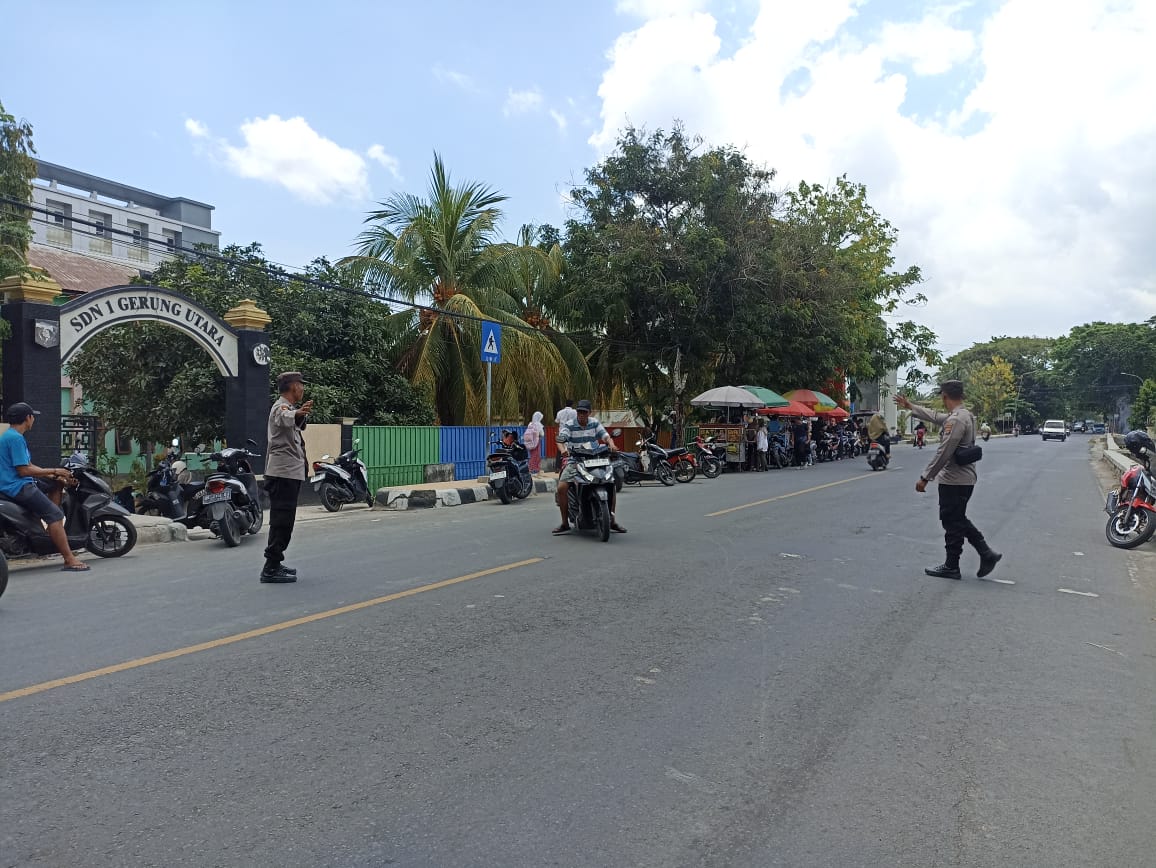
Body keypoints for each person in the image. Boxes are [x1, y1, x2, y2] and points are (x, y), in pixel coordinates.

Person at [896, 381, 1002, 580]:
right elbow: (936, 417)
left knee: (952, 521)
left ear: (944, 396)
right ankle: (986, 554)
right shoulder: (964, 415)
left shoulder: (957, 420)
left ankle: (952, 566)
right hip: (963, 479)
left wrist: (925, 477)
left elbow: (945, 451)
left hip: (955, 480)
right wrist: (911, 406)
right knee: (957, 519)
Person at [0, 402, 87, 572]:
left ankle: (50, 533)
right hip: (17, 486)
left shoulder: (11, 435)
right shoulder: (15, 439)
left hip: (15, 481)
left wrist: (56, 475)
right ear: (28, 418)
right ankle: (69, 559)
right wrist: (55, 469)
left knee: (57, 483)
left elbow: (29, 464)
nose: (33, 420)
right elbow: (24, 470)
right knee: (55, 514)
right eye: (33, 417)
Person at [261, 372, 312, 584]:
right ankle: (270, 568)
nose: (302, 389)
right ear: (292, 386)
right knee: (282, 521)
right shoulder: (280, 407)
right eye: (301, 385)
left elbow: (296, 424)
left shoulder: (290, 409)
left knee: (285, 521)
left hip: (289, 473)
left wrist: (299, 413)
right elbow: (282, 418)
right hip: (282, 474)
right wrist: (297, 413)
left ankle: (275, 563)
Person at [554, 399, 624, 535]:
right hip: (575, 460)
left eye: (584, 412)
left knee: (611, 483)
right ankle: (564, 523)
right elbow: (561, 440)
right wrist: (563, 449)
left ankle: (612, 521)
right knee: (561, 488)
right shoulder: (569, 425)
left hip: (596, 459)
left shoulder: (594, 423)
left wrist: (612, 445)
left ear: (589, 413)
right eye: (579, 412)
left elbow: (606, 437)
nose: (581, 414)